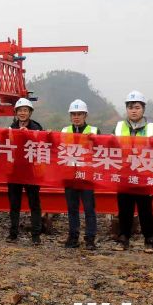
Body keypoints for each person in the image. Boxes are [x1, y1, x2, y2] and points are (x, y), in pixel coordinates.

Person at [113, 90, 153, 253]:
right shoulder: (119, 127)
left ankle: (149, 240)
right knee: (124, 209)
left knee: (145, 210)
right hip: (124, 175)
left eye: (137, 107)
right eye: (130, 107)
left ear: (143, 109)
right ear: (126, 110)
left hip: (144, 176)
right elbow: (109, 147)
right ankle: (123, 238)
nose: (133, 111)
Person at [61, 99, 99, 250]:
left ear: (85, 115)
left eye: (79, 114)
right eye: (73, 114)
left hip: (86, 176)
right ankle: (73, 237)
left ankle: (90, 238)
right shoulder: (64, 131)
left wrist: (95, 140)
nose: (76, 117)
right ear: (70, 116)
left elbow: (102, 150)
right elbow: (56, 148)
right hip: (70, 175)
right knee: (72, 209)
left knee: (89, 209)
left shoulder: (94, 131)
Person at [7, 98, 44, 245]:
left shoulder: (37, 127)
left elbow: (42, 145)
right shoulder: (11, 128)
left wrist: (28, 134)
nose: (22, 113)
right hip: (15, 170)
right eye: (20, 110)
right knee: (14, 203)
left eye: (25, 110)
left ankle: (36, 235)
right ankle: (13, 234)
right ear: (16, 112)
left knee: (34, 204)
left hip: (32, 171)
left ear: (30, 112)